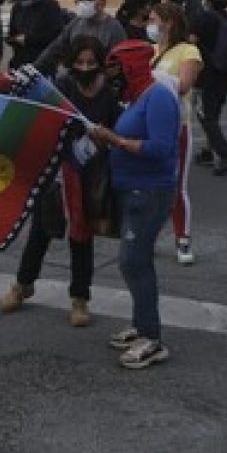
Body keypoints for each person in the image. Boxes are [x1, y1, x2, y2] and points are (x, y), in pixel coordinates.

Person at [0, 36, 120, 326]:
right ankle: (23, 285)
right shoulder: (63, 88)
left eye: (91, 62)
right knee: (41, 232)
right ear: (71, 63)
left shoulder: (109, 95)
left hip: (91, 175)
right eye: (80, 62)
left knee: (81, 236)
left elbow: (117, 130)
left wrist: (105, 136)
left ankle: (80, 299)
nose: (86, 67)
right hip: (58, 172)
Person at [90, 40, 180, 369]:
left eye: (117, 70)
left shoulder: (158, 98)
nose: (112, 76)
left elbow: (161, 148)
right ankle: (141, 324)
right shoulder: (136, 98)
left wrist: (116, 140)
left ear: (133, 68)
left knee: (134, 261)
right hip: (132, 189)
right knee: (134, 260)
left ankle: (152, 338)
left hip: (150, 191)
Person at [149, 3, 203, 265]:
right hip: (149, 126)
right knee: (151, 185)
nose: (150, 24)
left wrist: (150, 79)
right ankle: (148, 235)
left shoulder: (188, 51)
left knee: (177, 186)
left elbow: (183, 85)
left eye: (154, 19)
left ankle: (183, 239)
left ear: (168, 22)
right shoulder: (152, 51)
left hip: (177, 127)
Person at [191, 0, 227, 175]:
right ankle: (208, 151)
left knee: (206, 116)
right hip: (225, 74)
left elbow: (192, 42)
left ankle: (226, 154)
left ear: (209, 1)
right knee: (213, 114)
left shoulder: (205, 19)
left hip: (207, 75)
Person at [36, 0, 126, 73]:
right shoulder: (76, 23)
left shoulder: (114, 29)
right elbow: (55, 49)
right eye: (80, 0)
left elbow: (118, 64)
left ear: (102, 1)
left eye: (88, 0)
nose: (83, 4)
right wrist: (35, 67)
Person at [6, 0, 65, 69]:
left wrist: (28, 40)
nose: (22, 1)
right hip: (20, 61)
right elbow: (12, 31)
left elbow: (56, 37)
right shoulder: (17, 7)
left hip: (43, 62)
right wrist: (12, 39)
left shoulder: (50, 6)